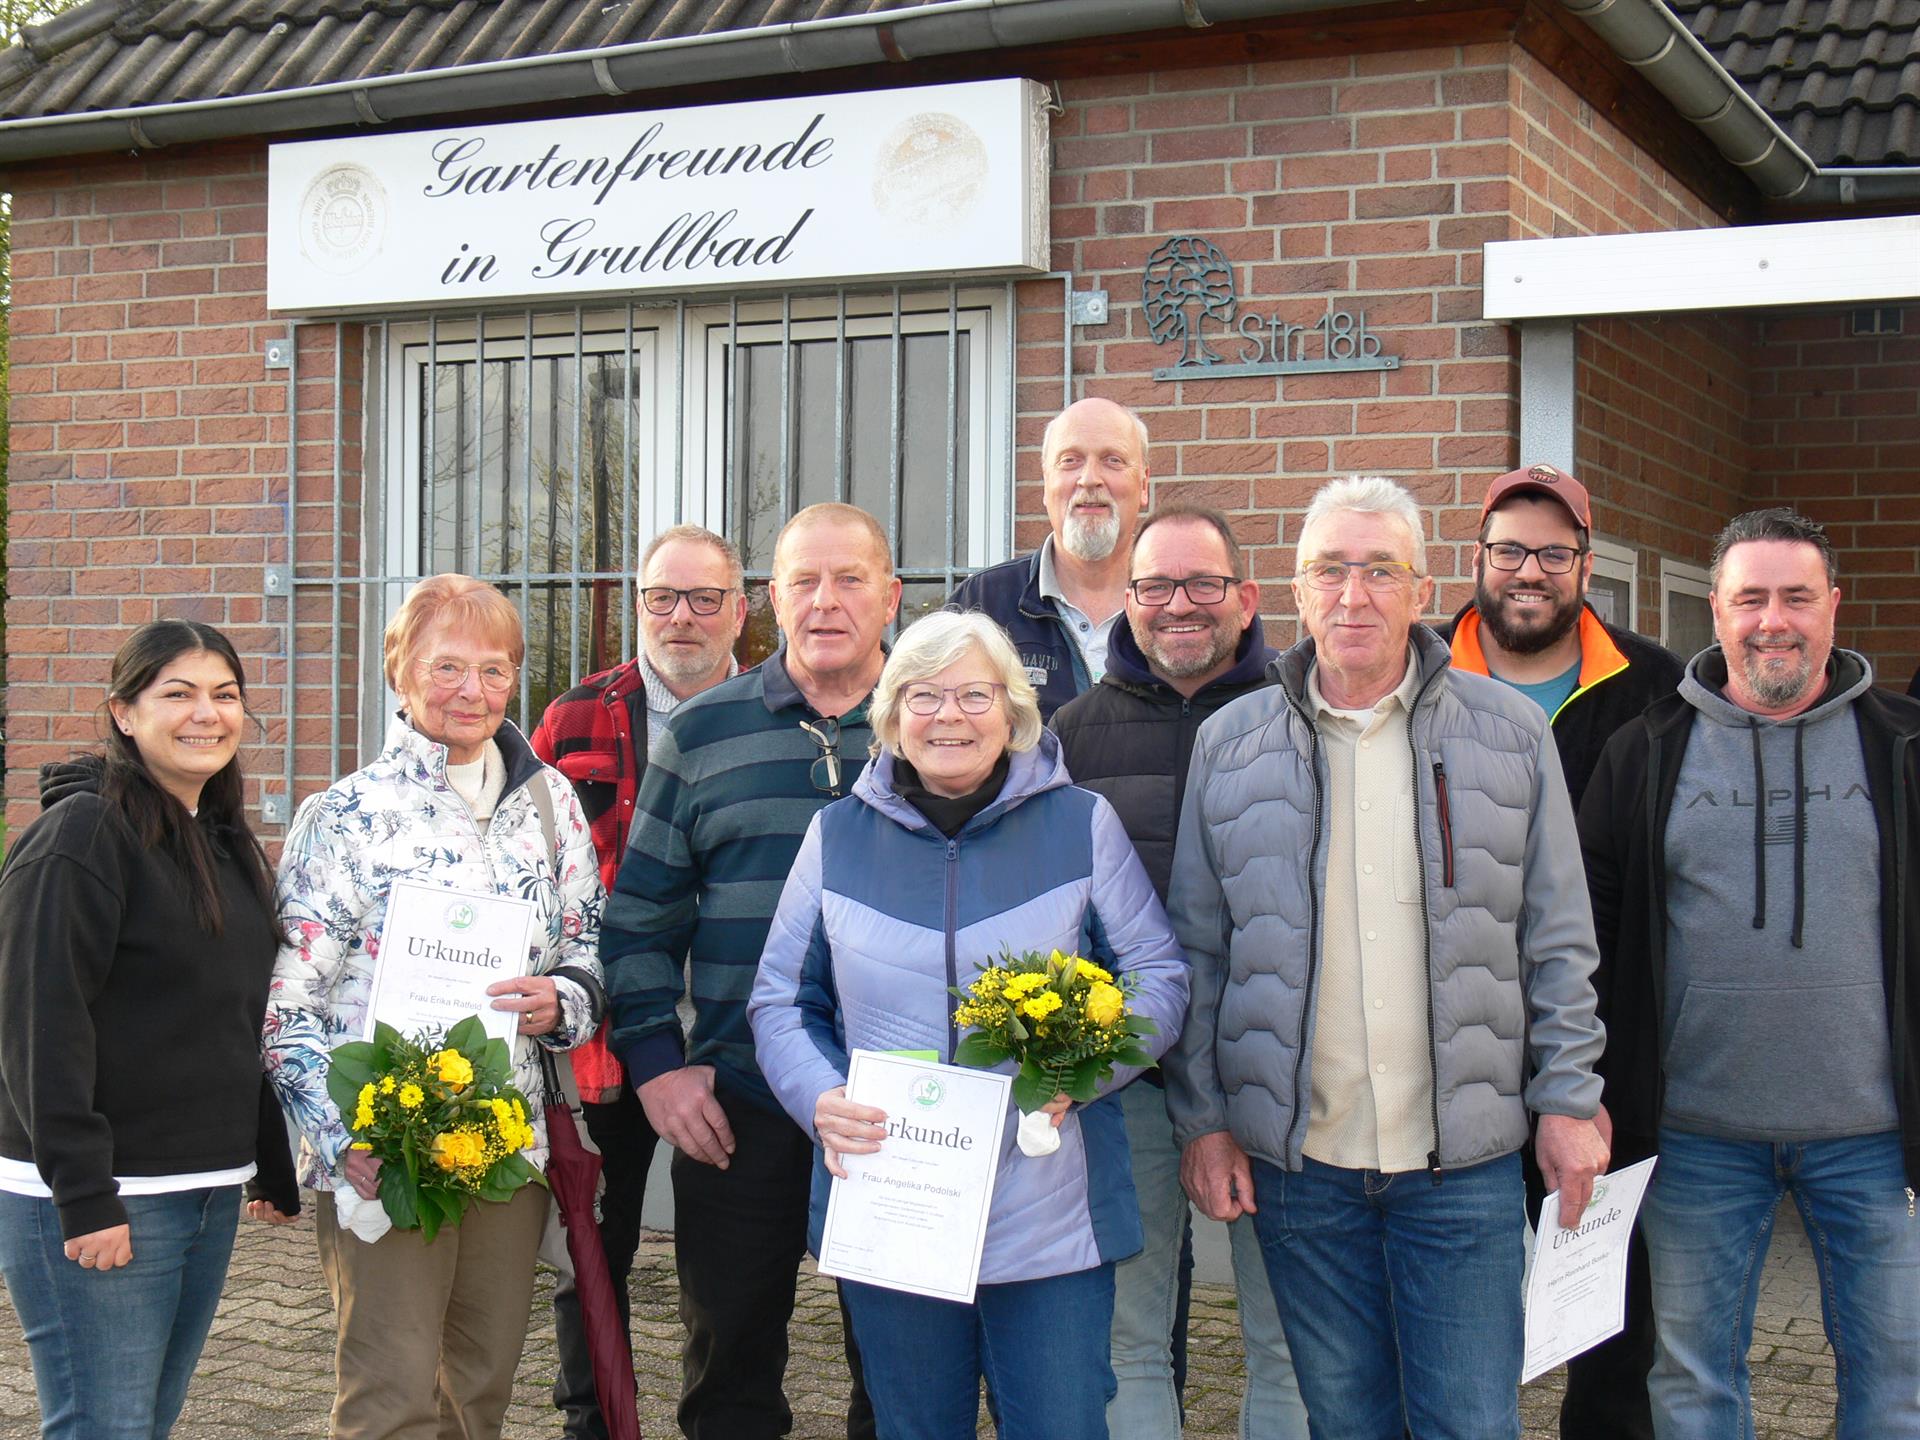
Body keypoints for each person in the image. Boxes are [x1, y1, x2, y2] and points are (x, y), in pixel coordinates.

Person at [1164, 475, 1609, 1440]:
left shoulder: (1510, 733)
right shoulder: (1229, 744)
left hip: (1464, 1167)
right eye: (1330, 570)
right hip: (1302, 1170)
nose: (1352, 596)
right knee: (1347, 1422)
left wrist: (1570, 1099)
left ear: (1421, 587)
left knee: (1469, 1422)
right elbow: (1199, 952)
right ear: (1294, 587)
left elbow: (1559, 938)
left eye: (1379, 571)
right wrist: (1202, 1121)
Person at [749, 608, 1190, 1440]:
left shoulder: (1081, 824)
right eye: (922, 695)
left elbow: (1157, 977)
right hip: (895, 1201)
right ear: (889, 715)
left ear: (1014, 710)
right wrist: (821, 1097)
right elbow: (780, 998)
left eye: (973, 694)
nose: (949, 715)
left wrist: (1082, 1072)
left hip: (1049, 1211)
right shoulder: (834, 837)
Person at [1578, 507, 1920, 1440]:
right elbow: (1590, 940)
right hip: (1698, 1139)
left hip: (1879, 1142)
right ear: (1718, 613)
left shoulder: (1905, 746)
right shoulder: (1645, 751)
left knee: (1896, 1393)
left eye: (1797, 597)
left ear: (1834, 608)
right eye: (1751, 598)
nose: (1775, 620)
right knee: (1693, 1390)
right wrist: (1588, 1091)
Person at [265, 573, 606, 1440]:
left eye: (495, 670)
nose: (473, 691)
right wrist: (342, 1141)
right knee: (392, 1395)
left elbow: (586, 947)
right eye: (447, 667)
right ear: (400, 673)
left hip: (509, 1140)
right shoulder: (342, 815)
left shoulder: (550, 801)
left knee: (482, 1390)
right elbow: (286, 1008)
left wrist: (561, 1001)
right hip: (388, 1145)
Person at [600, 501, 896, 1440]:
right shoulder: (701, 732)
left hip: (898, 1108)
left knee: (897, 1374)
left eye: (850, 578)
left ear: (891, 596)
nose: (826, 600)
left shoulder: (936, 723)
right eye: (804, 580)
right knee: (728, 1372)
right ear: (773, 599)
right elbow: (638, 917)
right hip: (738, 1103)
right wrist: (656, 1064)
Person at [0, 619, 298, 1440]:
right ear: (124, 713)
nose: (207, 714)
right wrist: (85, 1195)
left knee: (145, 1421)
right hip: (109, 1199)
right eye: (178, 693)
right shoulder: (82, 836)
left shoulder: (224, 842)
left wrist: (266, 1160)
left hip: (201, 1192)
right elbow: (39, 1022)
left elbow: (235, 1018)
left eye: (225, 694)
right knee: (105, 1426)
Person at [1049, 504, 1306, 1440]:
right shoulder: (1071, 735)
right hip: (1131, 1084)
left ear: (1246, 597)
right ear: (1129, 600)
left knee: (1289, 1343)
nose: (1179, 606)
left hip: (1281, 1077)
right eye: (1156, 586)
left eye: (1203, 584)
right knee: (1130, 1341)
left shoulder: (1302, 715)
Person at [1440, 461, 1682, 1440]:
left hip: (1609, 1056)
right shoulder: (1419, 674)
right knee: (1454, 1323)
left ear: (1585, 564)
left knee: (1613, 1329)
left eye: (1552, 551)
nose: (1527, 572)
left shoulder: (1657, 686)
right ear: (1478, 560)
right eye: (1509, 551)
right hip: (1451, 1057)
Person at [532, 524, 747, 1440]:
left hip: (737, 1031)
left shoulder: (781, 717)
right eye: (663, 596)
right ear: (637, 604)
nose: (682, 617)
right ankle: (595, 1422)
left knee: (726, 1255)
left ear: (743, 609)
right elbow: (527, 862)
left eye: (705, 599)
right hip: (604, 1033)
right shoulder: (574, 717)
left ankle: (718, 1417)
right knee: (594, 1245)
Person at [947, 396, 1151, 720]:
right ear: (1046, 483)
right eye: (1070, 461)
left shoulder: (1178, 607)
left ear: (1143, 485)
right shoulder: (980, 604)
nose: (1089, 479)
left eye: (1112, 460)